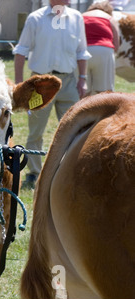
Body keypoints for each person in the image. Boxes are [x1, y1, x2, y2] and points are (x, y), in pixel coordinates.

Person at [13, 0, 91, 188]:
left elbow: (82, 51)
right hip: (40, 83)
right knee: (36, 131)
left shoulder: (76, 18)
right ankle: (34, 173)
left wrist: (82, 79)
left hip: (69, 81)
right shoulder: (35, 19)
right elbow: (21, 50)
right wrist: (19, 84)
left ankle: (71, 170)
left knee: (76, 130)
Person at [83, 1, 119, 95]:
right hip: (104, 50)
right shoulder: (109, 18)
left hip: (83, 52)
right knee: (104, 91)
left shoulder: (81, 16)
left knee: (83, 89)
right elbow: (116, 43)